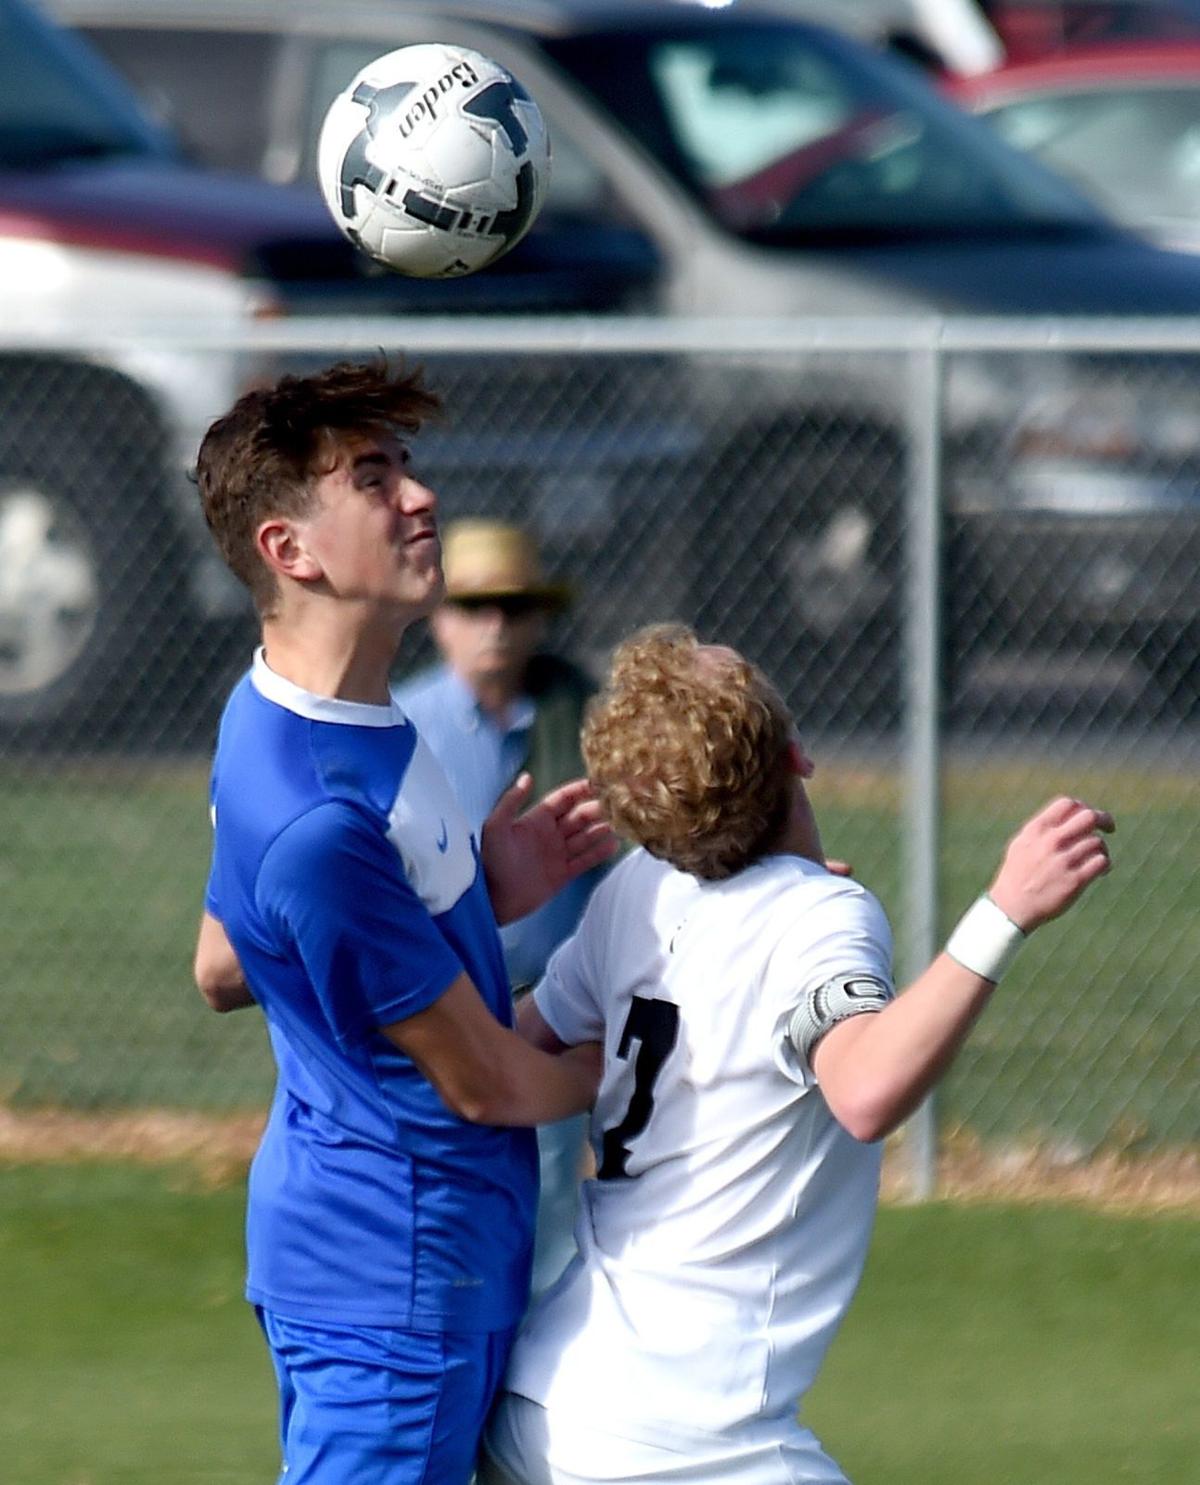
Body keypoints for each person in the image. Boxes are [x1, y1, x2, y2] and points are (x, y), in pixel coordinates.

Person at [479, 623, 1114, 1485]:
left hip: (542, 1402)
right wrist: (1004, 911)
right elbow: (865, 1089)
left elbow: (512, 1043)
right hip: (680, 1442)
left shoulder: (641, 886)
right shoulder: (818, 917)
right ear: (796, 758)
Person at [189, 359, 614, 1485]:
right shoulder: (321, 818)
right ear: (290, 549)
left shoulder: (285, 706)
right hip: (403, 1291)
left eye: (406, 469)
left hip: (377, 1263)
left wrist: (467, 888)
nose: (421, 498)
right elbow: (487, 1083)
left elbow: (225, 963)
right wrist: (659, 1048)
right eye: (373, 480)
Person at [395, 519, 603, 1294]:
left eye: (513, 607)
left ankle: (533, 1354)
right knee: (441, 1204)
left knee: (548, 1204)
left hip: (556, 1003)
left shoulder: (584, 717)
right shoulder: (400, 724)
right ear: (439, 618)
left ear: (539, 619)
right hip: (437, 1005)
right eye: (473, 606)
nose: (494, 626)